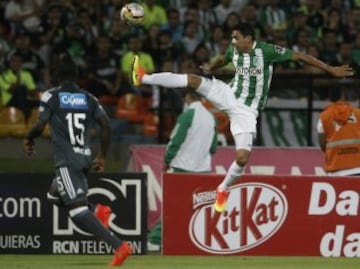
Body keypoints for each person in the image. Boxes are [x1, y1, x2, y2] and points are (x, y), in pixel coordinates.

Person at [130, 22, 354, 213]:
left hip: (246, 112)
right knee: (192, 79)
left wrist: (329, 69)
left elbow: (299, 55)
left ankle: (222, 190)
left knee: (242, 158)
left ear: (248, 38)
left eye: (236, 37)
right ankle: (143, 77)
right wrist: (211, 66)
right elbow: (224, 60)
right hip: (228, 93)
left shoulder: (266, 51)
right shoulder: (234, 50)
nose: (233, 41)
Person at [22, 55, 132, 266]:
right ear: (77, 76)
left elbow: (40, 125)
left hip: (66, 161)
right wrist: (101, 155)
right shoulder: (89, 97)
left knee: (77, 211)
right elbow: (106, 125)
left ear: (57, 76)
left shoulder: (51, 95)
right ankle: (97, 211)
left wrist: (28, 138)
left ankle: (119, 246)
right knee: (53, 195)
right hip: (84, 158)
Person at [148, 89, 218, 251]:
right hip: (204, 170)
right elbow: (214, 147)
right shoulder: (211, 117)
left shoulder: (187, 115)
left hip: (182, 169)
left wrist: (167, 160)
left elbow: (176, 140)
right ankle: (201, 241)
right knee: (200, 209)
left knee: (172, 207)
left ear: (188, 97)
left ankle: (156, 240)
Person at [317, 87, 360, 176]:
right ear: (343, 96)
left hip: (336, 168)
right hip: (357, 165)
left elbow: (322, 144)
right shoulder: (357, 113)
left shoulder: (324, 117)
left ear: (329, 99)